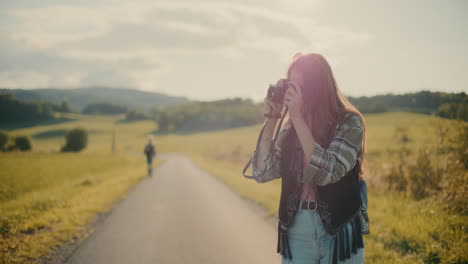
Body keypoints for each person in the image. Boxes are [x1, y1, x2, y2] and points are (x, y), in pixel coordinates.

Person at [250, 53, 368, 264]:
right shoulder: (290, 127)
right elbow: (262, 171)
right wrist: (272, 118)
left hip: (340, 232)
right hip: (297, 229)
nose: (291, 94)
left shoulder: (350, 123)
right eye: (290, 86)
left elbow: (328, 172)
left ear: (318, 90)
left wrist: (296, 118)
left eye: (299, 88)